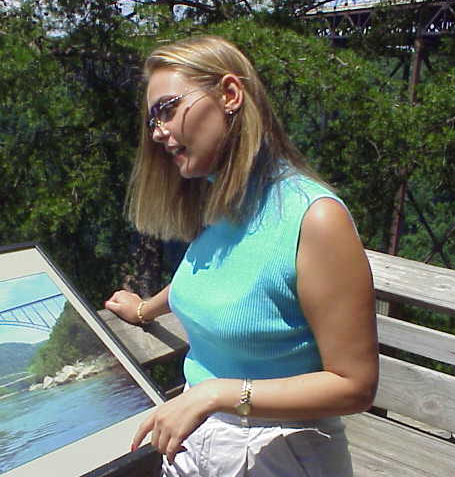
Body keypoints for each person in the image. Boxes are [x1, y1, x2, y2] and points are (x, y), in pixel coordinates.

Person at [105, 35, 378, 477]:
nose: (157, 132)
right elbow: (220, 278)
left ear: (230, 95)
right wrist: (143, 309)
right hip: (195, 438)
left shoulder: (314, 219)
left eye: (167, 109)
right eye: (153, 119)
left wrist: (217, 393)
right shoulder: (223, 202)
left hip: (278, 451)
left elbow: (355, 386)